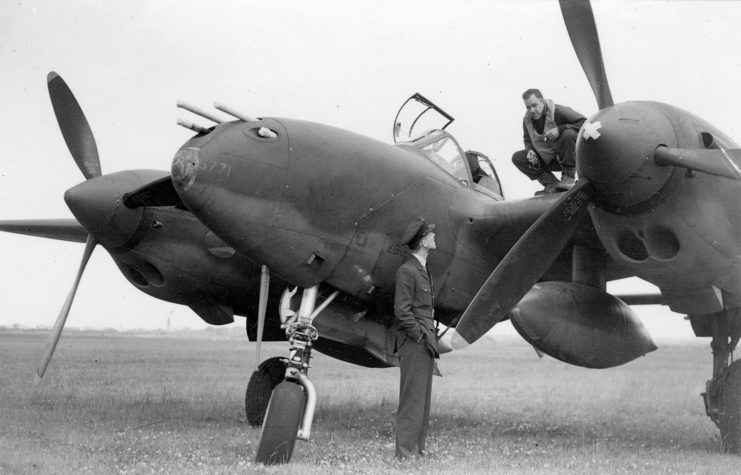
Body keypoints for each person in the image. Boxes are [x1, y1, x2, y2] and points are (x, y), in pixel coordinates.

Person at [394, 216, 440, 459]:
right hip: (415, 342)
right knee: (412, 399)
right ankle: (405, 453)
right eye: (430, 234)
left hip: (424, 340)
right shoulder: (408, 270)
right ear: (423, 241)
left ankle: (417, 449)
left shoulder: (421, 269)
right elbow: (402, 311)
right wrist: (420, 335)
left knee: (422, 399)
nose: (434, 236)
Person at [512, 88, 586, 194]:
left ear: (542, 100)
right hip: (547, 159)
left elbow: (585, 122)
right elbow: (527, 139)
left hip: (566, 157)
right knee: (518, 157)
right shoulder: (527, 119)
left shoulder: (559, 111)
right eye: (528, 107)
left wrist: (560, 129)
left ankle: (568, 179)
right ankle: (552, 184)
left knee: (568, 134)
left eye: (534, 105)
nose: (532, 110)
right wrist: (529, 150)